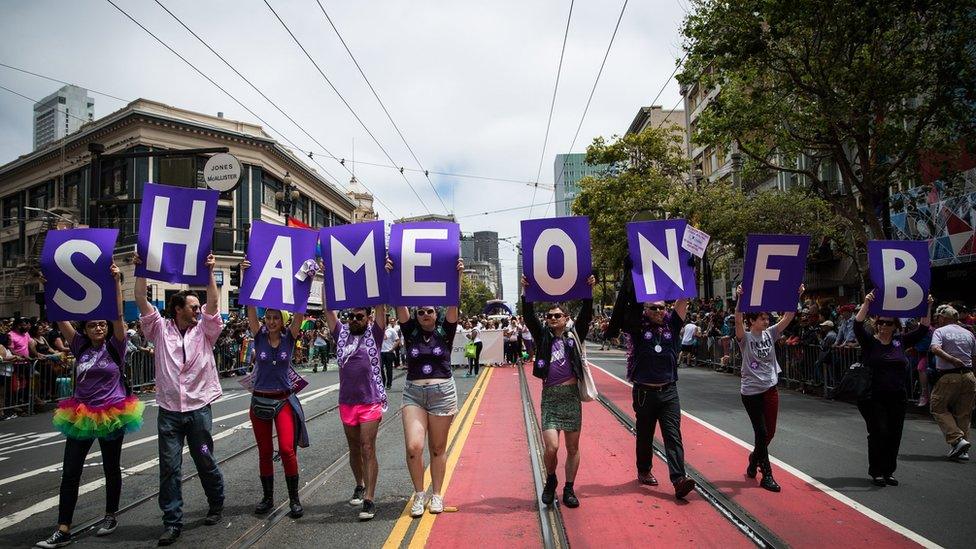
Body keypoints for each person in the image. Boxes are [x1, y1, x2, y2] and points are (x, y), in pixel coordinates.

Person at [35, 263, 144, 549]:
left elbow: (119, 315)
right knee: (70, 472)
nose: (98, 327)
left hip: (112, 413)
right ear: (85, 328)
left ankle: (110, 515)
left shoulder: (116, 345)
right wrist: (50, 286)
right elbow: (59, 316)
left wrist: (117, 281)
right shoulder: (79, 345)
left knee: (111, 468)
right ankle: (63, 528)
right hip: (81, 415)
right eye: (93, 324)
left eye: (102, 324)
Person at [133, 252, 225, 546]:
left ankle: (216, 500)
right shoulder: (159, 330)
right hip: (169, 413)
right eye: (192, 306)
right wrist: (141, 269)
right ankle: (172, 521)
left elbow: (213, 303)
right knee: (169, 467)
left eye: (198, 306)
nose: (198, 310)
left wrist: (209, 272)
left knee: (204, 458)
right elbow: (142, 302)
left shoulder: (205, 331)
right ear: (177, 309)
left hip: (199, 410)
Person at [605, 257, 696, 499]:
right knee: (645, 435)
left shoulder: (673, 324)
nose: (658, 311)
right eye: (652, 308)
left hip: (669, 391)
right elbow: (630, 306)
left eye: (661, 307)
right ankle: (644, 470)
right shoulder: (636, 326)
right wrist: (632, 272)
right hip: (644, 392)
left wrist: (688, 268)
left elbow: (683, 299)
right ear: (645, 310)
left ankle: (679, 479)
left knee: (673, 435)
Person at [392, 257, 463, 518]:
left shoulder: (446, 331)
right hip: (414, 393)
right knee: (414, 447)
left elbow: (454, 302)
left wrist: (457, 277)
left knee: (437, 448)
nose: (424, 315)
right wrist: (393, 274)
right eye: (420, 311)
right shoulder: (409, 330)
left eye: (429, 311)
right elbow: (399, 301)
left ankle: (437, 495)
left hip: (442, 393)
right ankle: (419, 495)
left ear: (437, 314)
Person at [239, 259, 310, 519]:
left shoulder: (290, 338)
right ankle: (267, 498)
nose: (270, 321)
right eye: (267, 317)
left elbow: (300, 312)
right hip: (259, 402)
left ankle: (294, 499)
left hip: (282, 402)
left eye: (274, 318)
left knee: (288, 450)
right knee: (265, 452)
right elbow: (249, 307)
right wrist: (246, 275)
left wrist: (308, 281)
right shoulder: (257, 335)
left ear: (283, 321)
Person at [521, 274, 595, 508]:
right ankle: (551, 479)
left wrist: (589, 292)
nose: (552, 319)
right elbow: (529, 317)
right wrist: (526, 292)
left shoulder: (574, 336)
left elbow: (586, 316)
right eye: (549, 316)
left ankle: (569, 489)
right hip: (550, 398)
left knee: (572, 448)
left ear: (566, 318)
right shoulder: (542, 336)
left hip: (571, 397)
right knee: (551, 447)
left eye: (557, 316)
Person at [853, 291, 933, 486]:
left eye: (888, 323)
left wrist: (927, 306)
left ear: (895, 326)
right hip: (874, 397)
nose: (884, 326)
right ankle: (877, 471)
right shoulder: (870, 343)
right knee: (879, 431)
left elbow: (923, 329)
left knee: (894, 434)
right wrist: (866, 303)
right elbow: (857, 326)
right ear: (876, 323)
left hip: (897, 397)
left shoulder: (901, 342)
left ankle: (888, 471)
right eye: (881, 322)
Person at [733, 284, 803, 493]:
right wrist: (740, 299)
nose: (767, 321)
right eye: (762, 318)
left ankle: (754, 458)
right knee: (761, 431)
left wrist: (796, 294)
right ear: (752, 321)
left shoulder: (770, 334)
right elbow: (737, 318)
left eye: (767, 318)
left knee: (769, 433)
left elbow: (789, 317)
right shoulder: (744, 337)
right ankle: (767, 475)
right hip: (751, 393)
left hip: (770, 389)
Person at [325, 297, 388, 521]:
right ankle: (359, 485)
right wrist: (327, 280)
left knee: (367, 447)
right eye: (351, 316)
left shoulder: (375, 335)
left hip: (370, 402)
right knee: (354, 448)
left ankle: (369, 499)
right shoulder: (341, 334)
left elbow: (381, 308)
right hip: (347, 402)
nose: (354, 319)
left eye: (359, 316)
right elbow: (328, 309)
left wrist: (381, 282)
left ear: (368, 318)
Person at [929, 305, 976, 461]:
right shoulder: (969, 333)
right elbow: (974, 357)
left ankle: (957, 439)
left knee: (938, 407)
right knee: (964, 413)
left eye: (938, 317)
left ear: (943, 317)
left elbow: (935, 348)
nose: (937, 320)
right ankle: (962, 450)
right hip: (969, 375)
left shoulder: (940, 331)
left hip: (949, 376)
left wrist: (951, 359)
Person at [381, 317, 398, 390]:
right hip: (381, 352)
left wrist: (392, 349)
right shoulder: (378, 331)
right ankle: (382, 383)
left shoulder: (391, 330)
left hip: (389, 352)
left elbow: (397, 340)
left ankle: (389, 384)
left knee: (389, 369)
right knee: (380, 369)